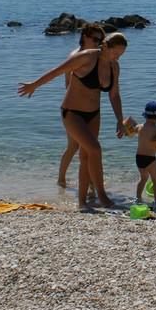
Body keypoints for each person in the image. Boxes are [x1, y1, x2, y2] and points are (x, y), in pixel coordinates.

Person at [18, 31, 128, 210]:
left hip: (94, 114)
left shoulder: (114, 67)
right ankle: (102, 195)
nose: (117, 58)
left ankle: (82, 202)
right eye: (115, 53)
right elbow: (57, 71)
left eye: (121, 55)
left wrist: (119, 119)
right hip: (72, 113)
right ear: (105, 46)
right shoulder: (86, 57)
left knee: (86, 156)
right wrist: (34, 85)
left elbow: (114, 95)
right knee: (95, 149)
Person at [57, 24, 105, 189]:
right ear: (85, 37)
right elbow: (68, 85)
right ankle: (62, 179)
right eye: (95, 39)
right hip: (74, 112)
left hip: (92, 112)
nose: (98, 43)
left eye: (101, 40)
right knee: (74, 147)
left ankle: (90, 183)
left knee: (88, 147)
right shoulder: (75, 57)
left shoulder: (97, 57)